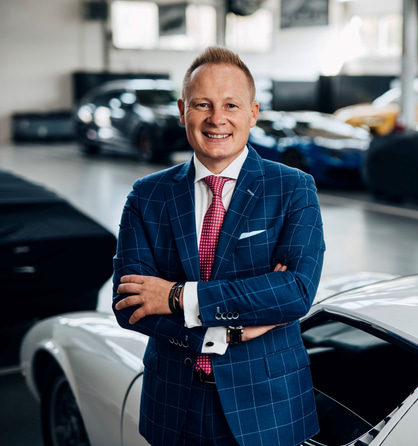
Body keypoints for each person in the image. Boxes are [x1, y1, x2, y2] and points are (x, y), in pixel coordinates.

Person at [113, 46, 325, 446]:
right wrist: (237, 327)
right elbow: (129, 305)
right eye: (202, 104)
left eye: (231, 105)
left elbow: (295, 292)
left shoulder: (293, 188)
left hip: (267, 406)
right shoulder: (147, 195)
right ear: (182, 111)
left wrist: (175, 296)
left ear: (253, 113)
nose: (217, 118)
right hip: (173, 404)